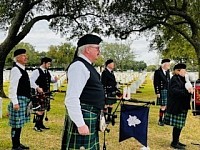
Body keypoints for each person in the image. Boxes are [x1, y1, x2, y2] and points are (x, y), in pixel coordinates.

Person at [61, 34, 105, 150]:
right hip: (84, 115)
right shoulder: (79, 66)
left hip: (89, 114)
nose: (99, 52)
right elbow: (71, 98)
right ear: (88, 49)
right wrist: (80, 124)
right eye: (97, 48)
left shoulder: (86, 65)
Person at [164, 63, 193, 149]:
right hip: (177, 105)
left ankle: (176, 141)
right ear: (178, 71)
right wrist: (186, 91)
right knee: (177, 125)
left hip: (182, 105)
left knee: (179, 126)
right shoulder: (174, 79)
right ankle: (174, 143)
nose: (186, 72)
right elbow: (174, 91)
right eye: (184, 70)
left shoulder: (182, 79)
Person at [8, 49, 30, 150]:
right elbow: (12, 87)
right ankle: (15, 146)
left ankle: (18, 143)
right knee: (16, 124)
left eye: (26, 55)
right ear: (17, 58)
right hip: (18, 100)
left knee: (20, 123)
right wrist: (15, 102)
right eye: (23, 55)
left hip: (23, 100)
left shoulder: (22, 69)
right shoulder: (16, 70)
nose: (25, 57)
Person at [30, 57, 57, 132]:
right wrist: (37, 87)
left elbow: (50, 80)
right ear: (44, 63)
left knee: (44, 109)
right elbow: (31, 81)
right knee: (40, 109)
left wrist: (55, 80)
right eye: (48, 63)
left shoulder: (47, 72)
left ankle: (41, 124)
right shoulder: (36, 71)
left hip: (46, 93)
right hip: (39, 94)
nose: (49, 65)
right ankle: (36, 126)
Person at [153, 59, 171, 126]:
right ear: (164, 64)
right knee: (163, 106)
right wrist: (157, 92)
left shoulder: (167, 71)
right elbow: (156, 83)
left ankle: (165, 119)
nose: (169, 65)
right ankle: (160, 120)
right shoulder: (158, 72)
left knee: (166, 106)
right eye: (168, 64)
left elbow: (168, 81)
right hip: (162, 90)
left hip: (167, 90)